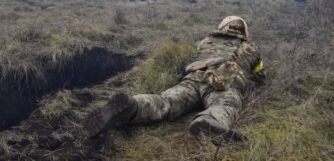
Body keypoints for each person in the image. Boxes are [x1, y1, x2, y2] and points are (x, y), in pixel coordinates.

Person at [83, 16, 265, 142]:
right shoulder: (250, 47)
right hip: (224, 83)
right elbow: (259, 77)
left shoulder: (205, 41)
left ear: (222, 27)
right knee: (225, 106)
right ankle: (210, 120)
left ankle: (133, 106)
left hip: (194, 76)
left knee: (166, 102)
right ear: (244, 32)